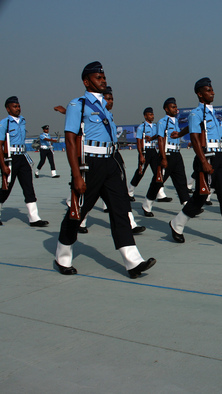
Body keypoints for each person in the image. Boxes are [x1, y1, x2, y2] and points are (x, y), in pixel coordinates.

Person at [53, 61, 155, 278]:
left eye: (104, 77)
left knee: (121, 210)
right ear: (86, 81)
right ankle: (62, 255)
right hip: (89, 164)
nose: (103, 80)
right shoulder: (77, 105)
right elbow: (71, 141)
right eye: (98, 78)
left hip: (110, 162)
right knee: (78, 212)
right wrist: (77, 174)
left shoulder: (104, 107)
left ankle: (133, 261)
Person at [168, 77, 222, 246]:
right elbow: (195, 136)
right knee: (200, 196)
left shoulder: (212, 114)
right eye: (208, 90)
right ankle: (177, 223)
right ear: (199, 94)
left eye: (212, 89)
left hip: (219, 156)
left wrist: (179, 133)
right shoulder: (195, 113)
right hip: (206, 157)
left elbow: (193, 128)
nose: (212, 92)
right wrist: (203, 160)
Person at [0, 96, 49, 227]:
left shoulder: (22, 121)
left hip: (22, 156)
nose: (18, 108)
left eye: (18, 106)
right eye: (14, 106)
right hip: (10, 158)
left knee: (28, 186)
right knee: (6, 187)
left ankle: (34, 218)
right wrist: (3, 165)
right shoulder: (5, 123)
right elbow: (0, 145)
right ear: (7, 108)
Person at [141, 98, 191, 217]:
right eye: (172, 107)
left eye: (175, 106)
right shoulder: (163, 122)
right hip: (167, 154)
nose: (175, 109)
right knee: (158, 181)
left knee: (181, 181)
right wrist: (163, 157)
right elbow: (160, 139)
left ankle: (187, 204)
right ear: (166, 109)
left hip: (176, 153)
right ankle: (147, 204)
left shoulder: (176, 122)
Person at [128, 107, 171, 202]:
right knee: (140, 173)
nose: (152, 116)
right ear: (145, 116)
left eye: (153, 114)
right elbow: (139, 142)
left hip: (153, 151)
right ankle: (129, 192)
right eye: (150, 114)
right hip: (145, 151)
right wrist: (141, 155)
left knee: (158, 172)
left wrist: (152, 138)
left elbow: (159, 136)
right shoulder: (141, 127)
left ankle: (160, 195)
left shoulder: (155, 126)